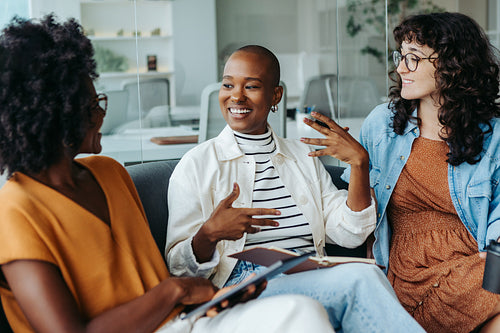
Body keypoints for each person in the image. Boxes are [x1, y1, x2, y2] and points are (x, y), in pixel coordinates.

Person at [0, 15, 336, 333]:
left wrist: (215, 295)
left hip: (184, 321)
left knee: (303, 312)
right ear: (56, 118)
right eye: (92, 105)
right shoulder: (16, 210)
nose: (103, 113)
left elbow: (151, 274)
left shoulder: (110, 174)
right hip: (168, 318)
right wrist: (175, 291)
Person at [166, 44, 425, 332]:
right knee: (360, 280)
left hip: (309, 275)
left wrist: (359, 165)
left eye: (251, 86)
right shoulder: (197, 165)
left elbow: (350, 233)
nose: (236, 96)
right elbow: (177, 269)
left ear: (275, 95)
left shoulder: (301, 157)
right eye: (228, 84)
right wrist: (209, 234)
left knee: (366, 276)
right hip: (243, 287)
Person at [333, 12, 500, 333]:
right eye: (401, 57)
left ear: (453, 66)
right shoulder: (381, 124)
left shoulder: (493, 135)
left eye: (413, 59)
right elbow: (359, 212)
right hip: (409, 269)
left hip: (475, 264)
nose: (400, 68)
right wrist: (357, 163)